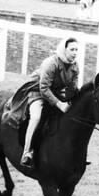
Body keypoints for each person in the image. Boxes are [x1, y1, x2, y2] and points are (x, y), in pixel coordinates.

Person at [18, 38, 80, 168]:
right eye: (72, 49)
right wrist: (60, 104)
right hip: (37, 91)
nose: (75, 53)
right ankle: (27, 153)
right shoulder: (51, 62)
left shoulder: (75, 66)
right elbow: (44, 88)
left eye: (76, 50)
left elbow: (73, 89)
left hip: (55, 92)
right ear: (64, 49)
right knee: (36, 117)